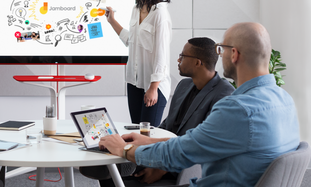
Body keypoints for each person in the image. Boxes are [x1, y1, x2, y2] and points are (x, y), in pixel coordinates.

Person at [99, 22, 300, 187]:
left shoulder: (238, 109)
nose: (219, 56)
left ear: (234, 54)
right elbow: (194, 143)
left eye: (221, 50)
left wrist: (124, 150)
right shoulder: (284, 101)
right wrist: (147, 142)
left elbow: (180, 155)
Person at [80, 37, 234, 186]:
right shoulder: (184, 85)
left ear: (197, 62)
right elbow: (167, 126)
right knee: (101, 165)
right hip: (161, 153)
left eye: (182, 56)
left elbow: (202, 147)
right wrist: (138, 139)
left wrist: (161, 168)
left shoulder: (224, 95)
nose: (178, 60)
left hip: (180, 167)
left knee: (112, 172)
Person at [106, 0, 172, 126]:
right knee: (135, 131)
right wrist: (112, 22)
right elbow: (131, 40)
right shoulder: (136, 9)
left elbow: (161, 54)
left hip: (153, 85)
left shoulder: (160, 14)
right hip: (134, 82)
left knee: (148, 135)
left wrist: (153, 87)